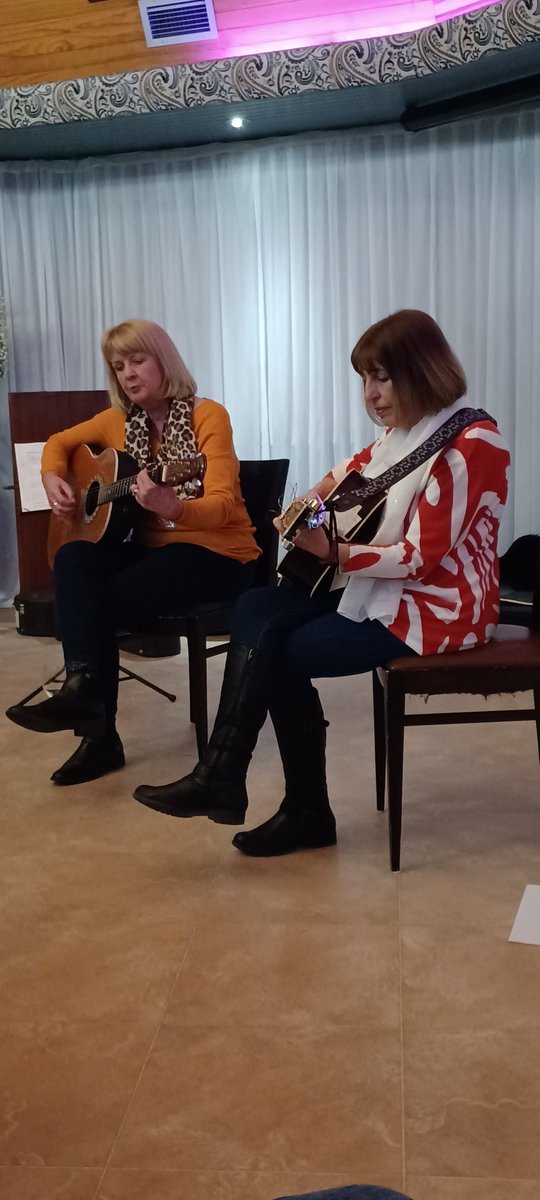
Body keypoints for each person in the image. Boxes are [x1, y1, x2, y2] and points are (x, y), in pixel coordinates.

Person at [133, 309, 510, 857]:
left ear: (422, 370)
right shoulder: (392, 440)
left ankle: (289, 804)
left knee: (281, 652)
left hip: (439, 610)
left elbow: (419, 559)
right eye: (364, 379)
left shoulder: (474, 442)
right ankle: (230, 775)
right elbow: (332, 486)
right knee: (257, 604)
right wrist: (303, 511)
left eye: (382, 377)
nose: (371, 394)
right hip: (378, 594)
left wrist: (334, 550)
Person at [6, 319, 259, 785]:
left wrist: (174, 507)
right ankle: (85, 690)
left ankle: (96, 732)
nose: (128, 373)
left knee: (91, 603)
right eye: (118, 366)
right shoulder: (117, 422)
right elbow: (59, 444)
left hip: (220, 554)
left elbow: (223, 507)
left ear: (165, 360)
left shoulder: (209, 416)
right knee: (73, 560)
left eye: (138, 360)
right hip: (155, 551)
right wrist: (51, 477)